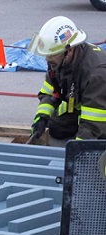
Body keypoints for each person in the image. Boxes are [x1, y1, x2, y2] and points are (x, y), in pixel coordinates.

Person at [29, 16, 106, 145]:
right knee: (56, 127)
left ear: (69, 50)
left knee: (93, 139)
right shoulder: (59, 61)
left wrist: (78, 148)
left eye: (52, 54)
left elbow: (93, 120)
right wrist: (41, 117)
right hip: (83, 105)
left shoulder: (96, 72)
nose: (48, 59)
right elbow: (49, 92)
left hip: (100, 111)